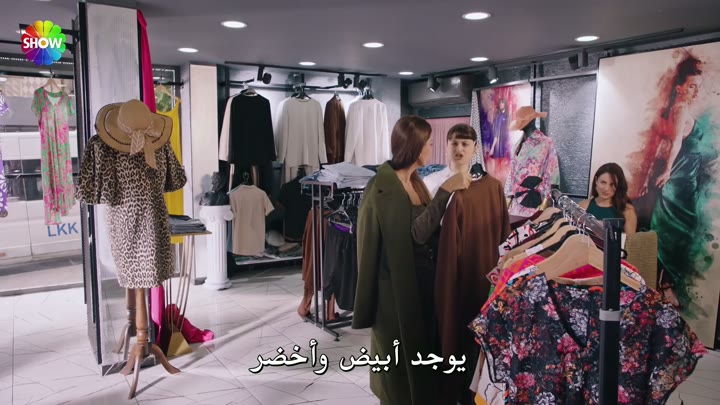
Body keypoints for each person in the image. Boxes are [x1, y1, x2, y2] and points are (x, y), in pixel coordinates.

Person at [352, 115, 471, 405]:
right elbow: (415, 234)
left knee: (420, 354)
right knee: (398, 364)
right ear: (415, 147)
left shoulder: (415, 182)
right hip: (396, 289)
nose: (431, 148)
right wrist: (446, 191)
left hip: (422, 284)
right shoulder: (382, 188)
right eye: (428, 143)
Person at [632, 53, 715, 310]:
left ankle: (663, 283)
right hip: (679, 180)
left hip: (686, 178)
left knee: (678, 231)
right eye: (691, 86)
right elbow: (675, 143)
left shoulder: (677, 109)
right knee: (675, 231)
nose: (695, 91)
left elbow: (663, 144)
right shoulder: (679, 110)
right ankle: (665, 285)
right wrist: (667, 171)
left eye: (697, 87)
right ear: (679, 87)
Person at [580, 163, 637, 235]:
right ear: (596, 181)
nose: (606, 189)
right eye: (603, 182)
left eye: (612, 184)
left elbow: (630, 241)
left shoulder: (628, 210)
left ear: (619, 185)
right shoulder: (583, 205)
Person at [424, 123, 478, 197]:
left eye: (465, 144)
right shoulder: (430, 181)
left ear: (475, 148)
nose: (459, 149)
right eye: (454, 144)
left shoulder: (482, 182)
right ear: (447, 147)